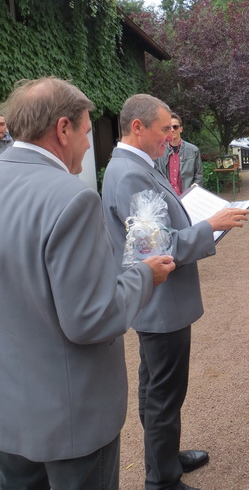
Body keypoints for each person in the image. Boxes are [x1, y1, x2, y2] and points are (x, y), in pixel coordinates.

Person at [0, 78, 175, 490]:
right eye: (85, 131)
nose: (87, 143)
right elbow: (90, 320)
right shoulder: (71, 197)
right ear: (63, 129)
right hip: (70, 415)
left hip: (10, 409)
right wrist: (144, 276)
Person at [101, 94, 249, 490]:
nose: (171, 136)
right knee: (164, 393)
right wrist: (210, 225)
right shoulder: (131, 173)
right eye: (164, 129)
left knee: (156, 387)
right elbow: (156, 251)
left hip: (155, 302)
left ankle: (164, 457)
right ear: (138, 127)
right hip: (160, 304)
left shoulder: (133, 165)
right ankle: (162, 480)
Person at [155, 112, 203, 195]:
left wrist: (193, 192)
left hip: (187, 196)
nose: (172, 130)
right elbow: (156, 174)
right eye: (169, 127)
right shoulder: (159, 151)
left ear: (181, 129)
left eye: (175, 127)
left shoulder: (193, 150)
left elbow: (199, 176)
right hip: (168, 197)